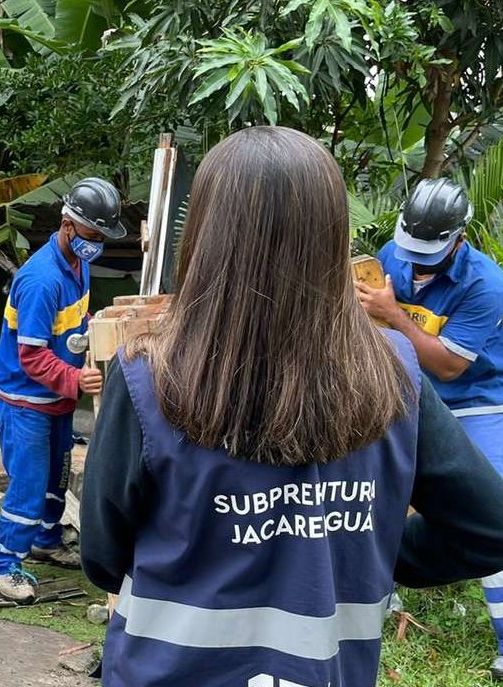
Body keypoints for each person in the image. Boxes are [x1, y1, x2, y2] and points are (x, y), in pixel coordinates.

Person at [82, 126, 503, 687]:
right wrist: (370, 543)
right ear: (332, 240)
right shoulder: (392, 374)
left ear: (204, 236)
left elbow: (103, 555)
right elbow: (488, 529)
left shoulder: (146, 377)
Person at [357, 177, 503, 677]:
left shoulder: (485, 283)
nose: (414, 261)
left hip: (472, 403)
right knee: (365, 494)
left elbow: (448, 368)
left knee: (493, 508)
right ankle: (371, 603)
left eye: (428, 252)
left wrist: (394, 314)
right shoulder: (389, 257)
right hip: (402, 396)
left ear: (458, 238)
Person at [0, 177, 126, 604]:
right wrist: (75, 381)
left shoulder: (78, 266)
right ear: (68, 225)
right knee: (29, 483)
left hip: (57, 398)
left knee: (57, 477)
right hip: (25, 399)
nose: (96, 244)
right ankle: (5, 564)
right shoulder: (41, 281)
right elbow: (30, 357)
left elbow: (74, 328)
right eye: (91, 235)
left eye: (101, 237)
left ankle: (47, 542)